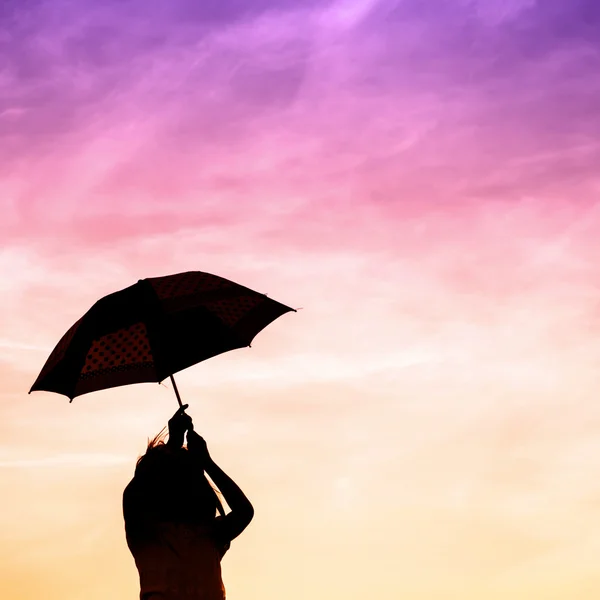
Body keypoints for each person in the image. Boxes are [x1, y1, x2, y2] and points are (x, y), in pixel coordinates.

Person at [123, 405, 254, 600]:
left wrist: (205, 462)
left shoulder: (210, 533)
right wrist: (175, 445)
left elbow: (245, 511)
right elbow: (134, 494)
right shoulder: (148, 532)